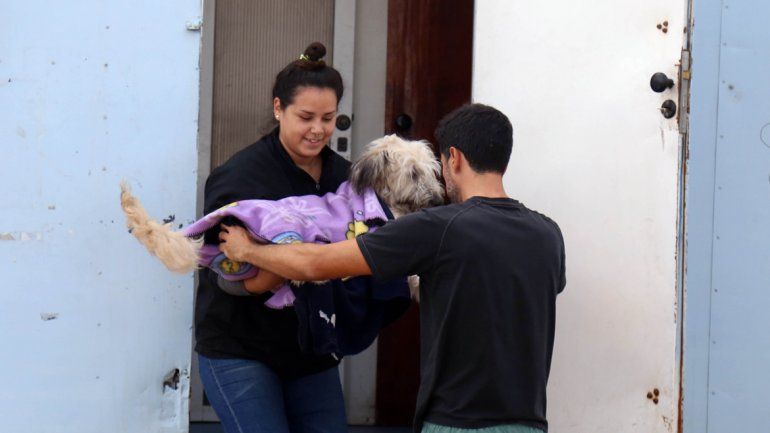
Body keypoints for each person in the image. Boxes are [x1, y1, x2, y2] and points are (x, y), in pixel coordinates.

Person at [219, 103, 567, 433]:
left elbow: (312, 264)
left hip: (457, 420)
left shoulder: (438, 228)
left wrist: (246, 249)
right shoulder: (548, 234)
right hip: (528, 420)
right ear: (503, 161)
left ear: (454, 159)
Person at [196, 42, 361, 433]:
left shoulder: (345, 178)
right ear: (277, 109)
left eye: (328, 117)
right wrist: (310, 258)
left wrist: (268, 254)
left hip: (311, 346)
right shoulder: (239, 178)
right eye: (305, 117)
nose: (318, 129)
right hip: (240, 347)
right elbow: (232, 280)